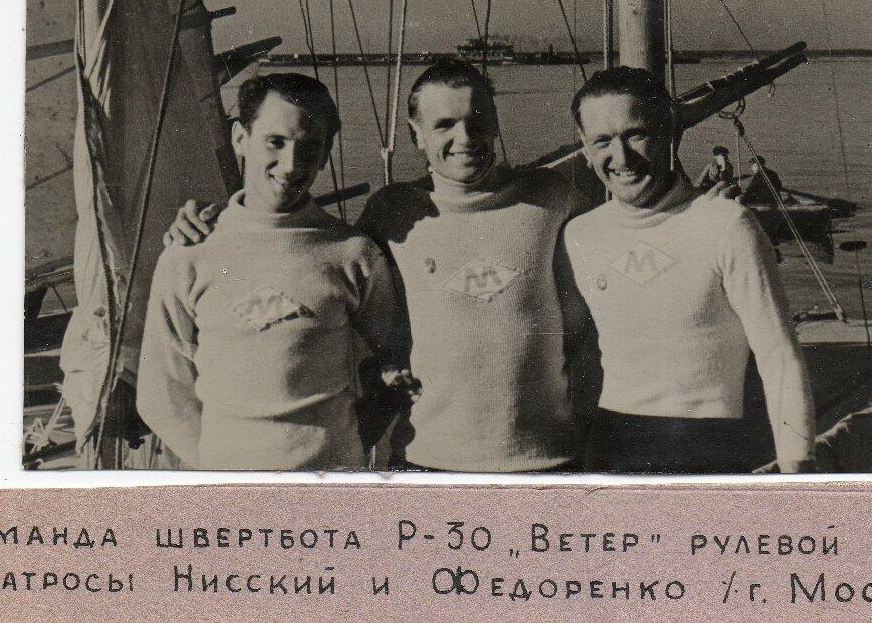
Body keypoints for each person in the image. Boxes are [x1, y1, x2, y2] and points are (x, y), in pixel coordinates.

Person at [166, 60, 595, 473]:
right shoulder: (394, 213)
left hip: (546, 460)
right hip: (428, 462)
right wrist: (217, 222)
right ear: (416, 134)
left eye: (477, 120)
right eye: (444, 124)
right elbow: (300, 261)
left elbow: (609, 260)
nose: (465, 137)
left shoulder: (553, 196)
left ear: (496, 122)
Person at [136, 74, 412, 470]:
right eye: (275, 142)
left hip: (331, 485)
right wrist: (220, 467)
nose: (291, 164)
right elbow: (160, 394)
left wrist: (345, 452)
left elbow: (392, 365)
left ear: (326, 154)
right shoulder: (189, 255)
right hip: (230, 486)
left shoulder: (354, 253)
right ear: (240, 139)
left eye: (309, 147)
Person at [563, 66, 816, 474]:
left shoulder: (725, 225)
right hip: (610, 448)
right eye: (602, 141)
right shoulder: (581, 235)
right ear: (584, 145)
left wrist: (797, 463)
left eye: (636, 134)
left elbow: (779, 356)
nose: (621, 157)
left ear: (669, 131)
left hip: (707, 447)